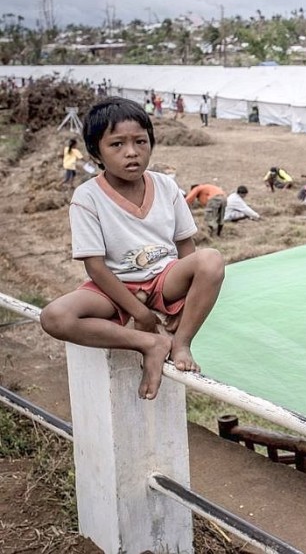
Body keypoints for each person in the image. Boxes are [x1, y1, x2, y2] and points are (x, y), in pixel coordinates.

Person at [39, 97, 225, 400]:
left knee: (211, 260)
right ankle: (149, 343)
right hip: (115, 284)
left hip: (165, 278)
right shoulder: (87, 197)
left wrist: (183, 299)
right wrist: (142, 314)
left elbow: (185, 245)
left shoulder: (165, 186)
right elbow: (95, 267)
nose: (131, 152)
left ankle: (181, 342)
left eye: (140, 141)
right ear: (96, 153)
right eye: (117, 145)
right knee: (55, 317)